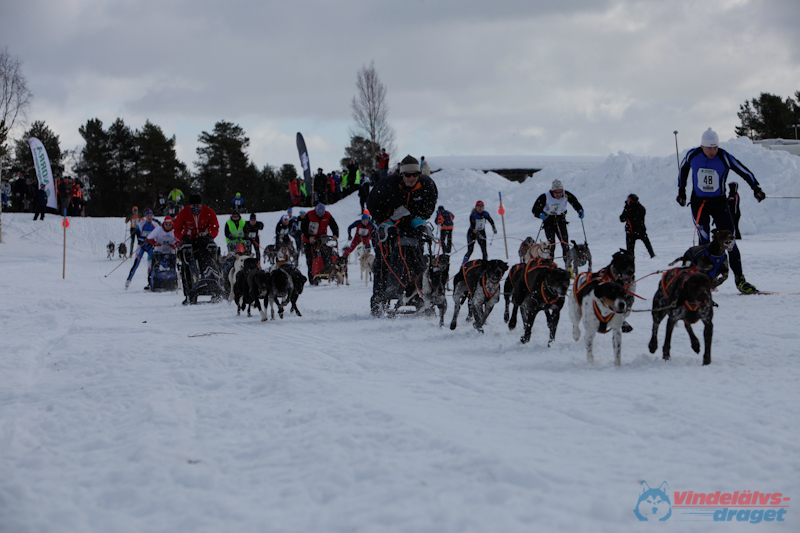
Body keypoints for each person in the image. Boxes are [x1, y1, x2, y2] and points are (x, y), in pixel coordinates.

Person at [678, 128, 765, 293]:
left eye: (715, 147)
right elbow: (683, 169)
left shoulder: (723, 156)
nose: (712, 151)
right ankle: (704, 280)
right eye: (709, 148)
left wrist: (756, 188)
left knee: (730, 241)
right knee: (704, 241)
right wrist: (681, 191)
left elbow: (743, 170)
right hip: (699, 203)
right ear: (702, 146)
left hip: (719, 203)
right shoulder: (693, 155)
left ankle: (740, 280)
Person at [366, 155, 438, 316]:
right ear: (401, 174)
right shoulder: (387, 185)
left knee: (417, 259)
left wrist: (419, 220)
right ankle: (379, 298)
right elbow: (372, 204)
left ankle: (419, 294)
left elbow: (430, 205)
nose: (411, 178)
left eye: (415, 175)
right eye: (407, 175)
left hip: (412, 226)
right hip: (389, 225)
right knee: (383, 261)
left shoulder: (427, 185)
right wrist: (385, 222)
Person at [173, 193, 221, 304]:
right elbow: (176, 230)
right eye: (193, 206)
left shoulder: (208, 212)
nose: (195, 208)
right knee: (186, 266)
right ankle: (189, 293)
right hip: (189, 242)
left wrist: (210, 236)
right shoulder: (184, 212)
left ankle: (216, 287)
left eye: (197, 205)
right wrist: (183, 238)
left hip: (204, 241)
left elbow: (215, 228)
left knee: (212, 260)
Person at [531, 179, 584, 272]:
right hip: (549, 221)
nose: (559, 195)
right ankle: (550, 266)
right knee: (551, 245)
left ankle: (568, 267)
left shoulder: (566, 194)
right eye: (556, 193)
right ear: (552, 192)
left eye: (560, 192)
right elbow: (535, 209)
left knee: (565, 244)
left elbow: (575, 202)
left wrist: (580, 210)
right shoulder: (545, 196)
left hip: (561, 220)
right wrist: (539, 215)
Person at [301, 203, 339, 284]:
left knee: (325, 256)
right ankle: (312, 279)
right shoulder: (309, 215)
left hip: (322, 239)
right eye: (318, 214)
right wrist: (309, 237)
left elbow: (334, 225)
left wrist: (335, 234)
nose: (320, 216)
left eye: (321, 214)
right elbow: (303, 227)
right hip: (309, 240)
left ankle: (323, 272)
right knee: (311, 259)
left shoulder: (327, 215)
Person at [125, 209, 161, 290]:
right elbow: (138, 234)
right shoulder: (141, 224)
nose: (149, 217)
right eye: (148, 216)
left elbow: (158, 235)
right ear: (145, 216)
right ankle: (128, 281)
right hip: (141, 246)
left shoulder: (155, 225)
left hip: (150, 247)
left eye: (151, 215)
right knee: (136, 263)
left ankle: (151, 282)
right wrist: (140, 239)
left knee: (152, 264)